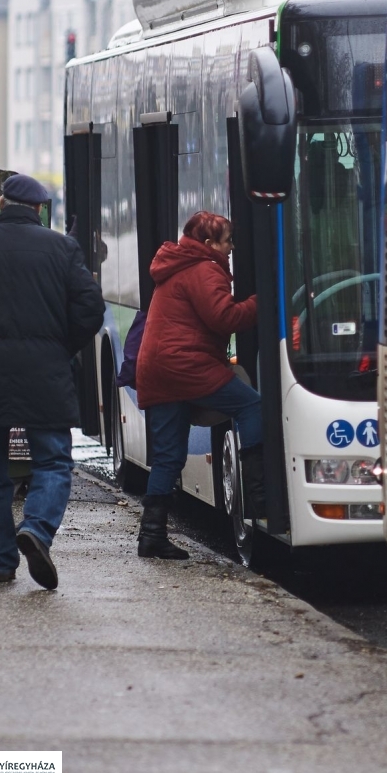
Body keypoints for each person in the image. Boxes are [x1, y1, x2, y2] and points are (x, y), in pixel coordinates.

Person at [0, 174, 105, 588]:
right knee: (54, 461)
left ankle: (1, 562)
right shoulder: (62, 248)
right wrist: (61, 346)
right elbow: (90, 308)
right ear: (40, 210)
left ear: (3, 205)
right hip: (46, 369)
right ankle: (38, 529)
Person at [135, 211, 262, 561]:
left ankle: (151, 535)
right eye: (227, 240)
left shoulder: (178, 264)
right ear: (209, 244)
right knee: (250, 405)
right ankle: (260, 494)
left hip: (159, 368)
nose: (232, 247)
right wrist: (262, 302)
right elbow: (224, 317)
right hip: (186, 366)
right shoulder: (205, 268)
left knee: (167, 456)